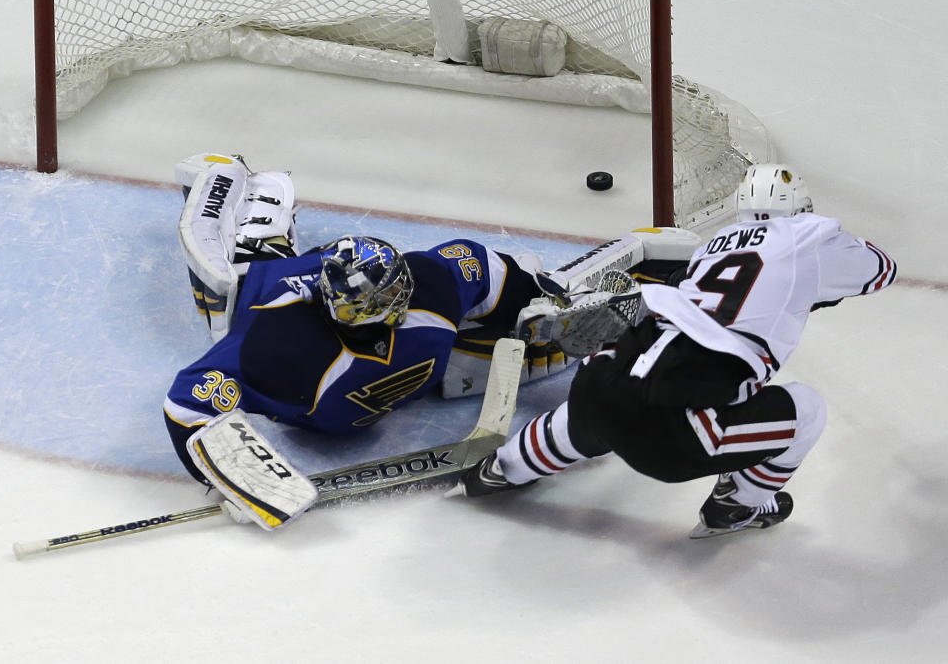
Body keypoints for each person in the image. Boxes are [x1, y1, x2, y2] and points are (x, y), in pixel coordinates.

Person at [162, 154, 697, 485]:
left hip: (423, 376)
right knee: (230, 277)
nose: (368, 313)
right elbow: (187, 401)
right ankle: (224, 180)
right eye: (356, 307)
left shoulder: (434, 280)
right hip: (275, 314)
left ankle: (554, 313)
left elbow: (483, 269)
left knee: (525, 296)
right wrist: (230, 470)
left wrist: (537, 301)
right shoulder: (273, 342)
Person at [450, 163, 897, 539]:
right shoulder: (808, 235)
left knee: (617, 382)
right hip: (671, 439)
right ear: (800, 209)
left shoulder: (710, 250)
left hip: (597, 391)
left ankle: (501, 469)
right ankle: (736, 506)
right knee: (808, 410)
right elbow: (881, 268)